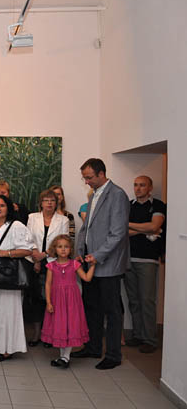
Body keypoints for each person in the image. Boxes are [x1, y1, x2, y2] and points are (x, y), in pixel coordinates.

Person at [73, 158, 130, 370]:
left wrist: (98, 255)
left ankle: (113, 355)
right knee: (92, 307)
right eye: (84, 178)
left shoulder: (117, 195)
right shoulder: (94, 194)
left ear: (101, 174)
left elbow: (118, 233)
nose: (86, 182)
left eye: (89, 177)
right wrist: (81, 251)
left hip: (107, 263)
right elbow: (86, 228)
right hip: (89, 261)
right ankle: (93, 347)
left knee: (111, 310)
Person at [0, 195, 34, 362]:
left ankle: (7, 349)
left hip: (9, 278)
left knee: (7, 314)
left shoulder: (16, 226)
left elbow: (28, 250)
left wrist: (6, 253)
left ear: (8, 208)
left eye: (2, 205)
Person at [124, 175, 166, 353]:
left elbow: (155, 226)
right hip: (128, 258)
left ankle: (150, 339)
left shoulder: (158, 205)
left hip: (148, 259)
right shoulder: (128, 205)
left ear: (150, 188)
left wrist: (132, 226)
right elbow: (123, 230)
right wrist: (145, 228)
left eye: (142, 185)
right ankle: (138, 335)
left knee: (147, 300)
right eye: (136, 185)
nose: (138, 188)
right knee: (133, 300)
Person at [41, 235, 95, 368]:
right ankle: (62, 357)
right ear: (55, 249)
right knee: (60, 326)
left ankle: (66, 357)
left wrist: (93, 265)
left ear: (70, 249)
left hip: (72, 302)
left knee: (70, 325)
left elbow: (87, 278)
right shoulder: (51, 266)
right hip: (57, 301)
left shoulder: (75, 264)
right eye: (60, 247)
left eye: (66, 247)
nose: (63, 249)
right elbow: (48, 284)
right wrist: (48, 302)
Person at [24, 190, 69, 347]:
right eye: (46, 200)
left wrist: (44, 255)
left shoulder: (63, 220)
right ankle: (37, 333)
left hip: (54, 262)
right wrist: (36, 258)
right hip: (34, 261)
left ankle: (50, 334)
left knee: (51, 299)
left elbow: (62, 242)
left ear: (57, 203)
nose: (49, 203)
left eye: (52, 200)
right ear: (41, 203)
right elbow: (28, 239)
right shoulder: (32, 217)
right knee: (35, 299)